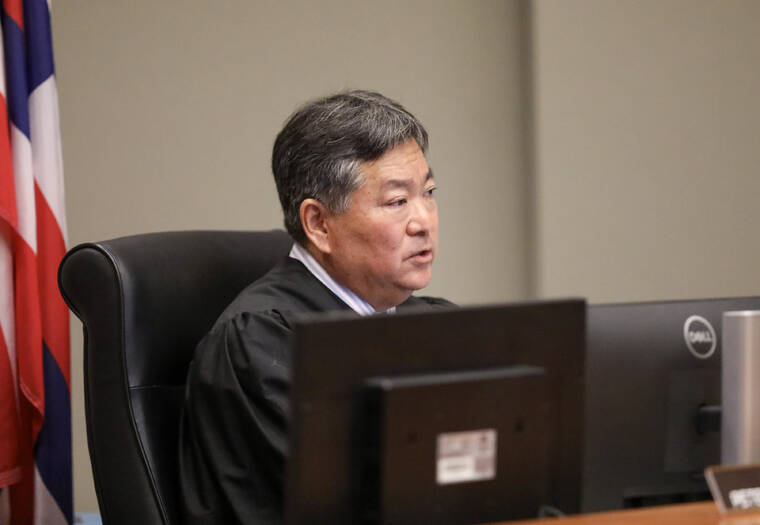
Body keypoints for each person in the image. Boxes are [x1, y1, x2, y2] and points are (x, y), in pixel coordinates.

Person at [178, 90, 452, 524]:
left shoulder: (438, 323)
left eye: (429, 192)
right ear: (319, 223)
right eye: (397, 201)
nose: (424, 222)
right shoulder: (263, 341)